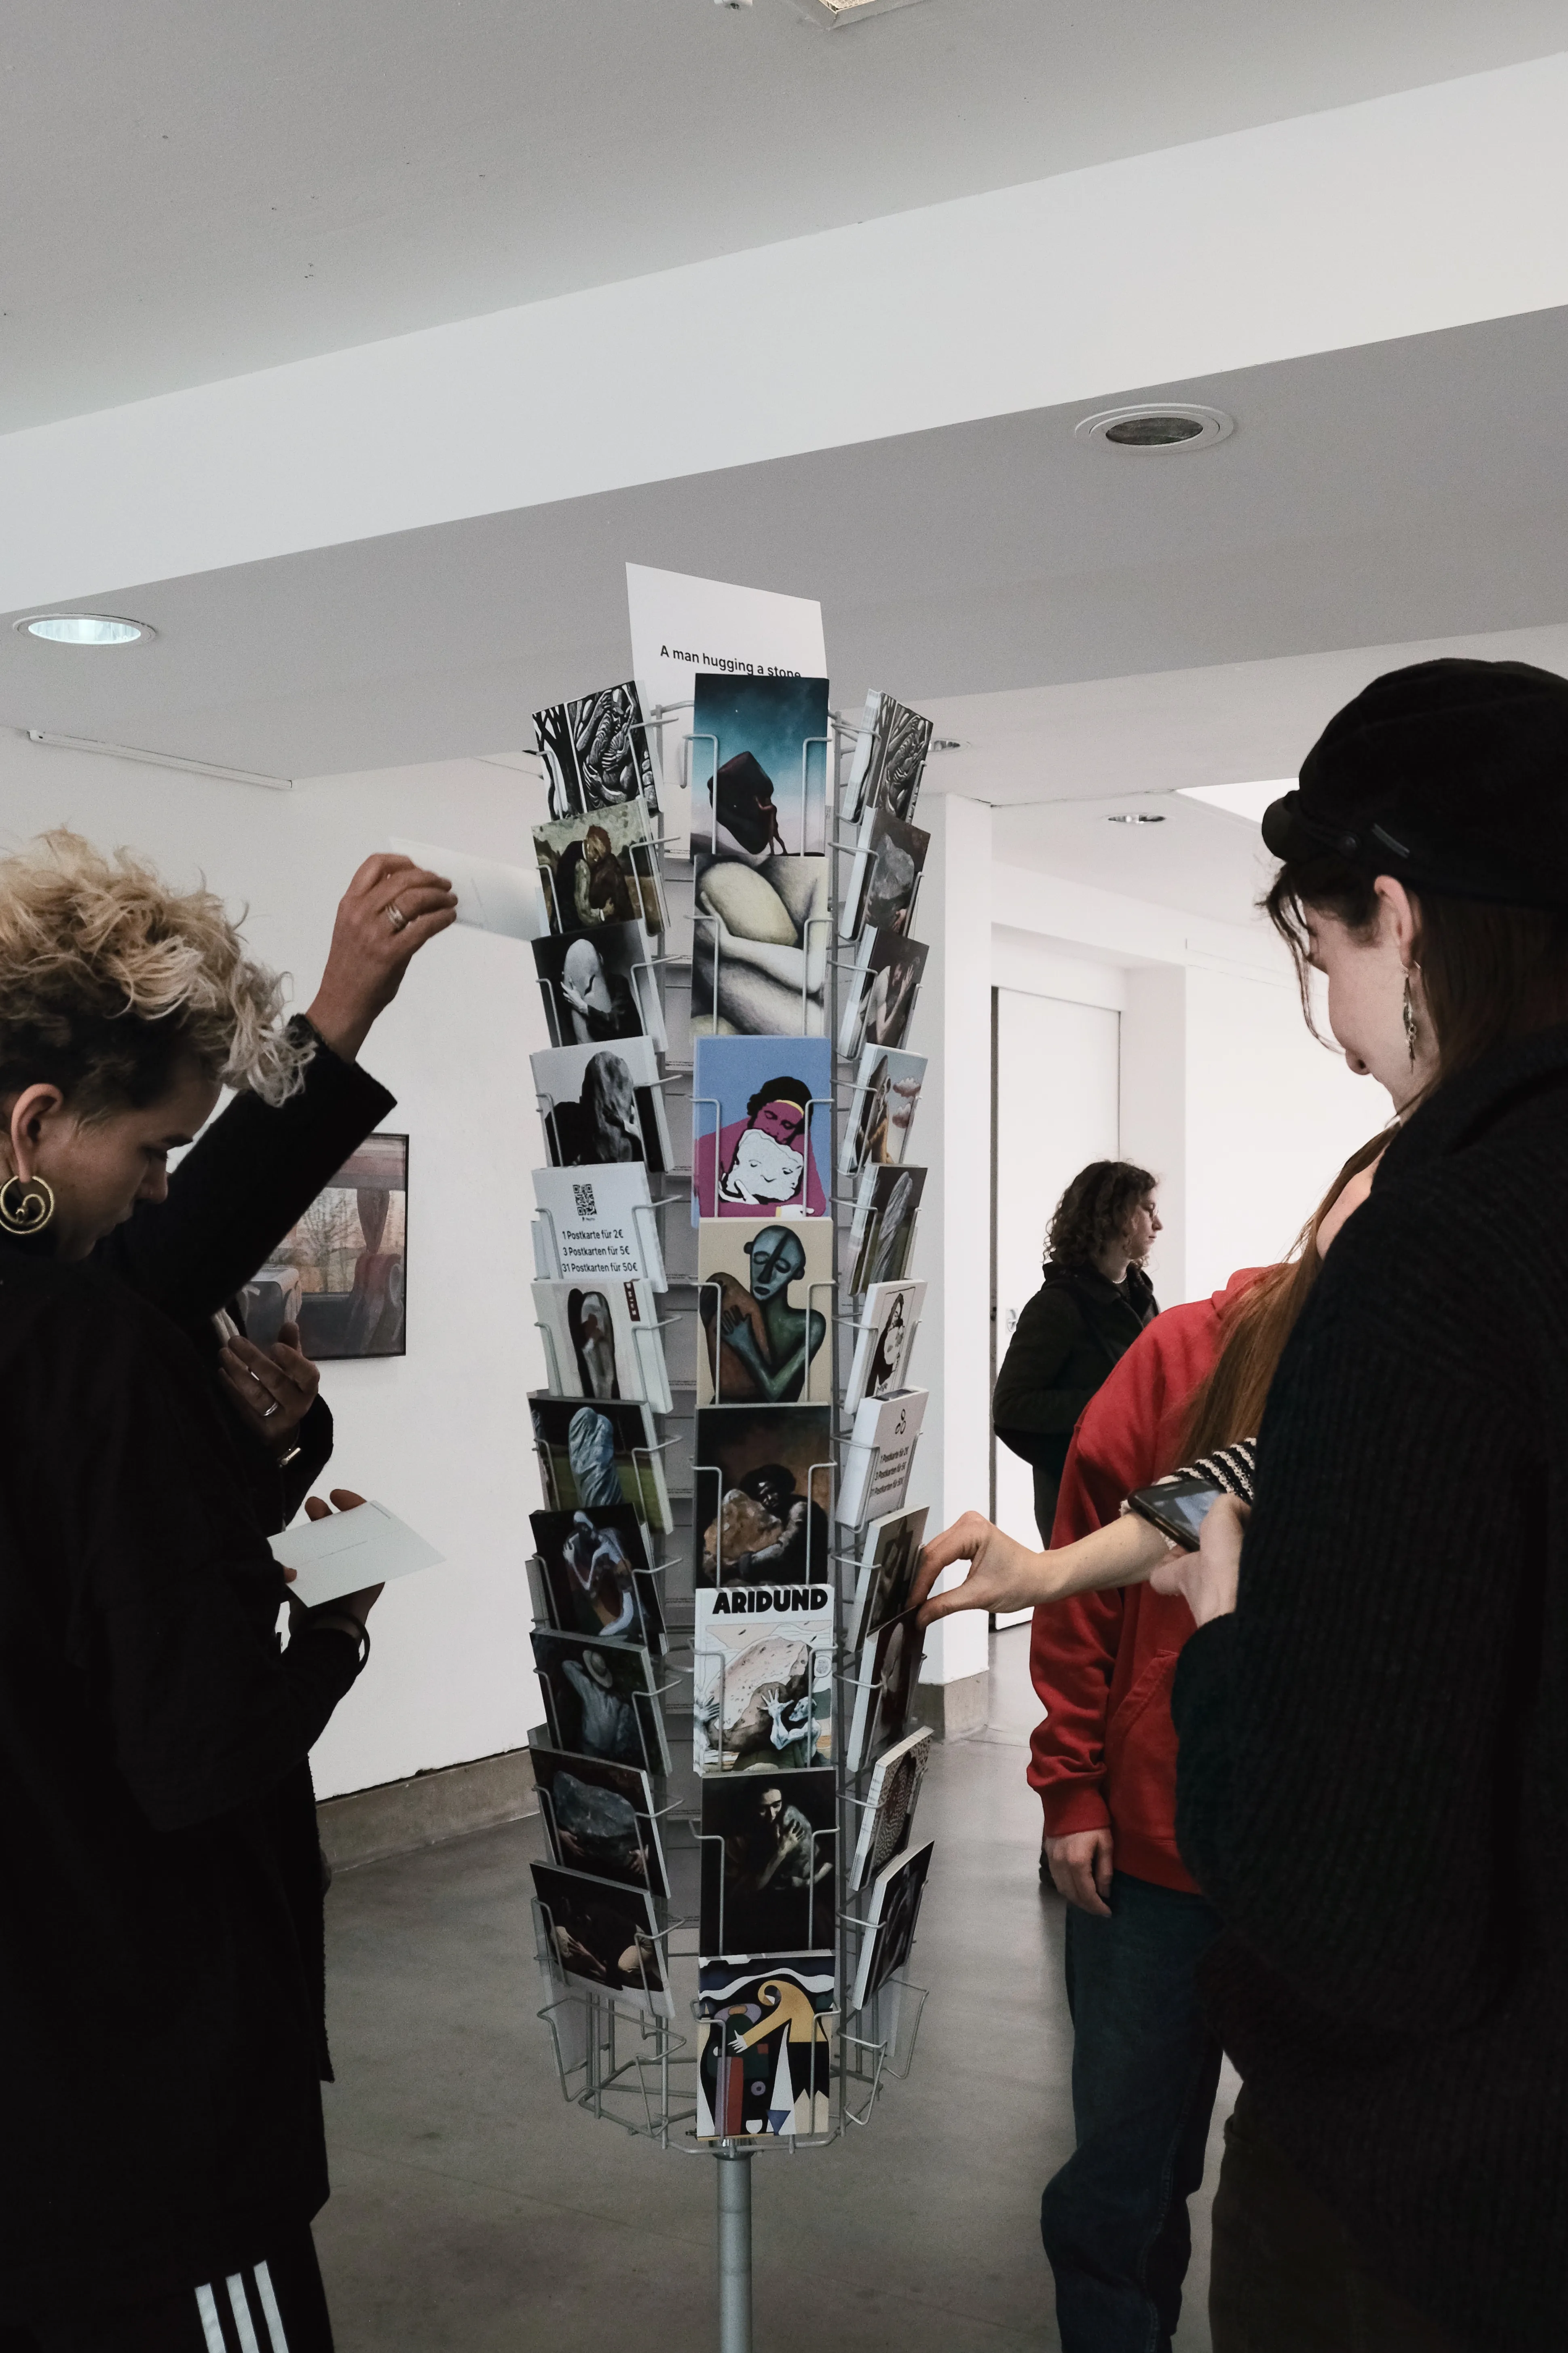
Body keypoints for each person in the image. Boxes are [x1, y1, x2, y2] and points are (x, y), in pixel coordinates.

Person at [1147, 658, 1568, 2351]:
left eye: (1322, 958)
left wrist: (1226, 1638)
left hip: (1447, 2199)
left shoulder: (1440, 1250)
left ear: (1393, 911)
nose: (1336, 1032)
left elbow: (1361, 1910)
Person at [0, 832, 395, 2351]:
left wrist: (236, 1466)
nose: (162, 1188)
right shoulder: (90, 1344)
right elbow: (200, 1750)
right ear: (38, 1123)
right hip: (131, 2101)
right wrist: (333, 1635)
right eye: (155, 1149)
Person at [993, 1161, 1162, 1544]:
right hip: (1078, 1507)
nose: (1158, 1224)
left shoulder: (1141, 1295)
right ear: (1118, 1215)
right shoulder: (1057, 1306)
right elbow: (1010, 1408)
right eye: (1148, 1210)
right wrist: (1108, 1405)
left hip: (1135, 1494)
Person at [701, 1221, 827, 1403]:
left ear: (797, 1274)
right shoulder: (734, 1309)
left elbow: (775, 1393)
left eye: (781, 1267)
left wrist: (745, 1345)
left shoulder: (811, 1324)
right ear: (750, 1253)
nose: (765, 1276)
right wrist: (709, 1323)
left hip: (778, 1419)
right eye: (760, 1260)